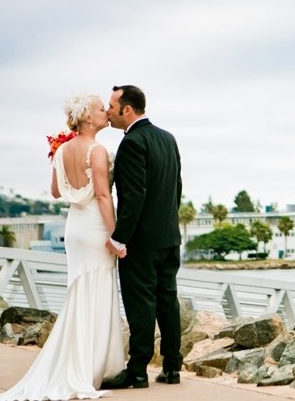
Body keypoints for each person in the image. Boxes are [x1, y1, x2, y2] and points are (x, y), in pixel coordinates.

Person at [0, 94, 125, 401]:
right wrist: (115, 236)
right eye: (100, 108)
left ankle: (79, 364)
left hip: (74, 227)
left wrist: (76, 188)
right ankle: (90, 368)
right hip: (96, 226)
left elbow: (54, 192)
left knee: (79, 293)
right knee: (97, 291)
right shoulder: (98, 150)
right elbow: (103, 196)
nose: (105, 111)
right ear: (88, 118)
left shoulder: (62, 149)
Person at [100, 84, 183, 390]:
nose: (108, 111)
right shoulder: (167, 138)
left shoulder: (133, 142)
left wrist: (119, 239)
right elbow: (177, 187)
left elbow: (133, 197)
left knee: (141, 306)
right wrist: (168, 224)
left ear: (127, 110)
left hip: (142, 242)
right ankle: (173, 367)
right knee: (167, 301)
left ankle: (137, 371)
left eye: (111, 105)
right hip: (169, 237)